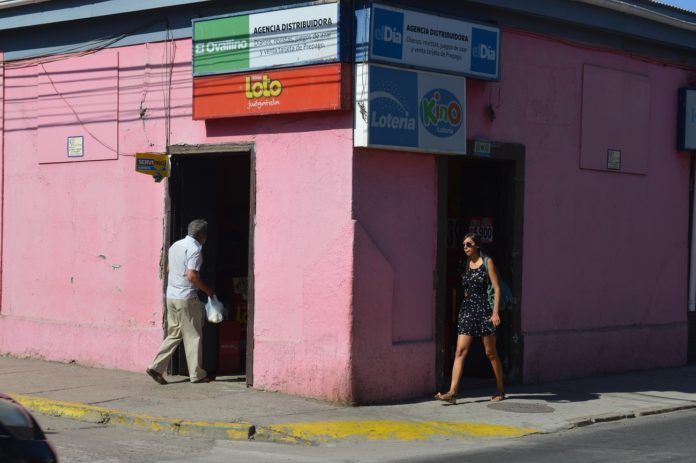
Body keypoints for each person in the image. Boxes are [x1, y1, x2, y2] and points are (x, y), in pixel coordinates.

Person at [435, 232, 505, 404]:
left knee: (490, 353)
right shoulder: (466, 263)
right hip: (467, 310)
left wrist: (495, 313)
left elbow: (497, 288)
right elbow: (466, 288)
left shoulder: (488, 263)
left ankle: (501, 390)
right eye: (464, 244)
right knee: (460, 351)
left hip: (484, 311)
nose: (465, 247)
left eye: (468, 244)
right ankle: (452, 392)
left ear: (477, 246)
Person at [146, 219, 215, 385]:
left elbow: (169, 269)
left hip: (171, 296)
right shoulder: (195, 249)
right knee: (193, 336)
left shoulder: (175, 245)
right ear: (202, 235)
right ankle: (197, 375)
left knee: (175, 333)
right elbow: (192, 276)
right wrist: (209, 292)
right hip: (186, 298)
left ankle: (156, 367)